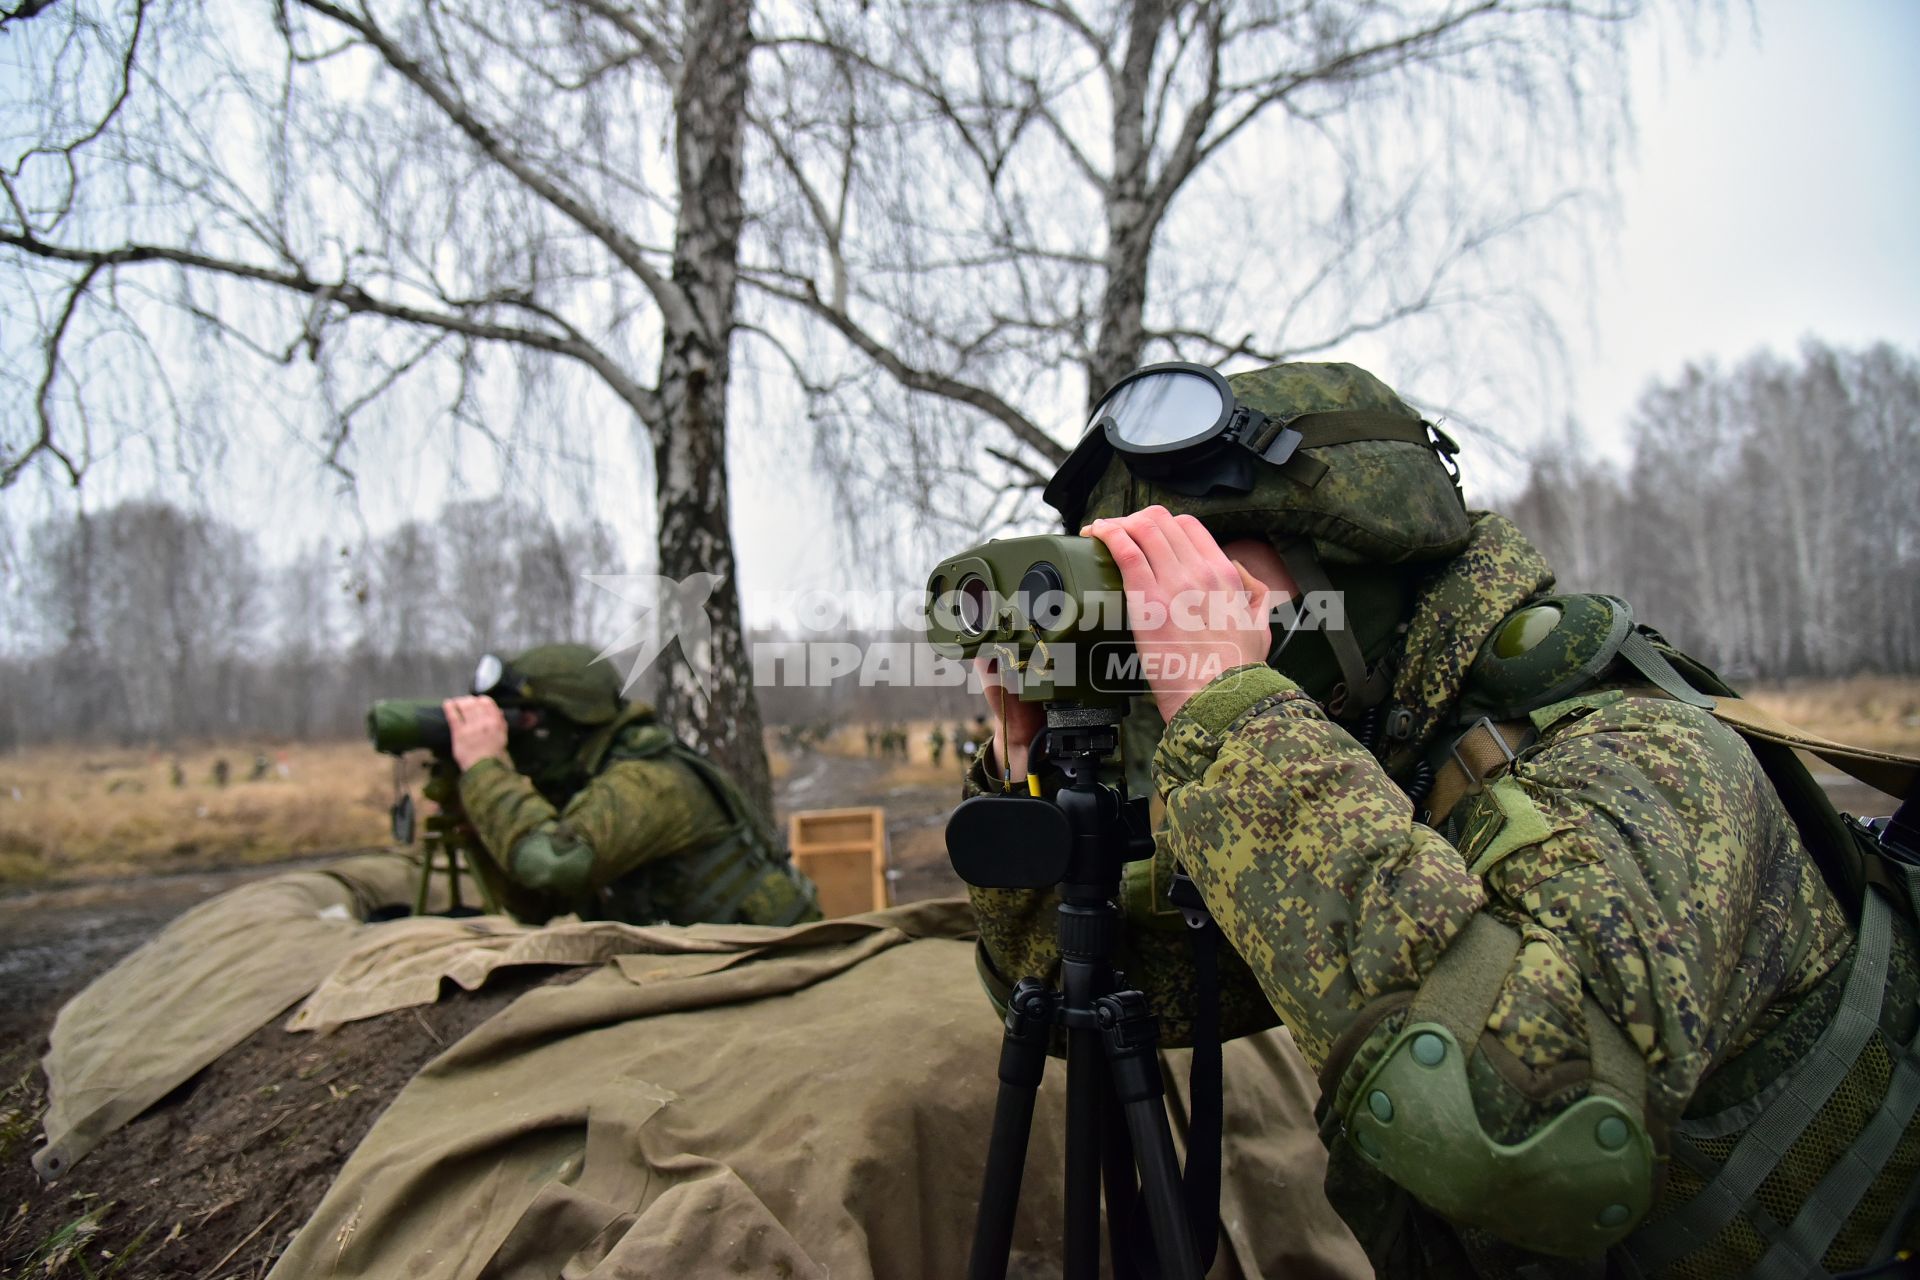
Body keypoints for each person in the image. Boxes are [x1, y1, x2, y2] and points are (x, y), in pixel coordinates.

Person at [966, 361, 1919, 1277]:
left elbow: (1521, 1132)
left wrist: (1235, 716)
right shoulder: (1370, 768)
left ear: (1356, 564)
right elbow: (1067, 990)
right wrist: (1032, 774)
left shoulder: (1638, 757)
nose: (1160, 613)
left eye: (1194, 566)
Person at [442, 643, 821, 928]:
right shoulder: (591, 778)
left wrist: (485, 770)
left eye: (521, 719)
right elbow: (538, 904)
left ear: (569, 720)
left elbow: (556, 866)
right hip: (711, 964)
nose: (512, 736)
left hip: (773, 963)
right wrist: (477, 816)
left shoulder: (647, 781)